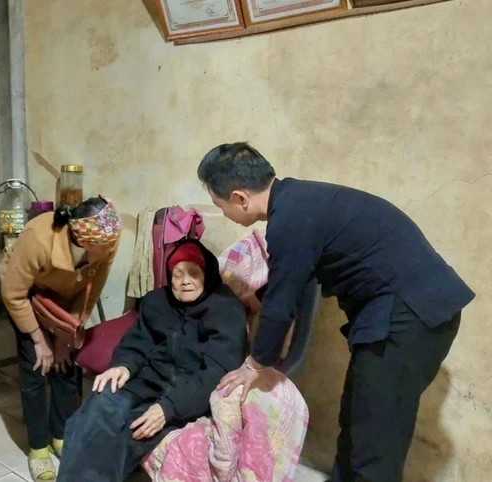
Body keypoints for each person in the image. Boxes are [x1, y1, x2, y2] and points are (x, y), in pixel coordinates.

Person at [199, 142, 475, 482]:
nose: (223, 213)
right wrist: (257, 301)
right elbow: (293, 281)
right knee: (358, 419)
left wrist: (254, 364)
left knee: (375, 440)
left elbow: (282, 304)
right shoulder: (300, 202)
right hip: (411, 313)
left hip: (408, 317)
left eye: (219, 204)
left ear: (240, 197)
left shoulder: (290, 219)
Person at [57, 239, 248, 481]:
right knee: (96, 409)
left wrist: (168, 408)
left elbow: (216, 373)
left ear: (207, 275)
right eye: (177, 275)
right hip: (148, 380)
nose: (185, 281)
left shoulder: (226, 309)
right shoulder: (157, 301)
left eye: (193, 273)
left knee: (128, 433)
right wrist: (124, 365)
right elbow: (137, 342)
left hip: (187, 395)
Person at [0, 195, 121, 481]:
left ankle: (61, 435)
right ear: (84, 239)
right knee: (37, 368)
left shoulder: (107, 239)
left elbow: (91, 290)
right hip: (28, 297)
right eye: (101, 247)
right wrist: (42, 342)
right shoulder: (38, 238)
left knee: (67, 365)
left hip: (67, 300)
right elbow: (13, 293)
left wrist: (66, 335)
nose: (109, 250)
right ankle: (38, 448)